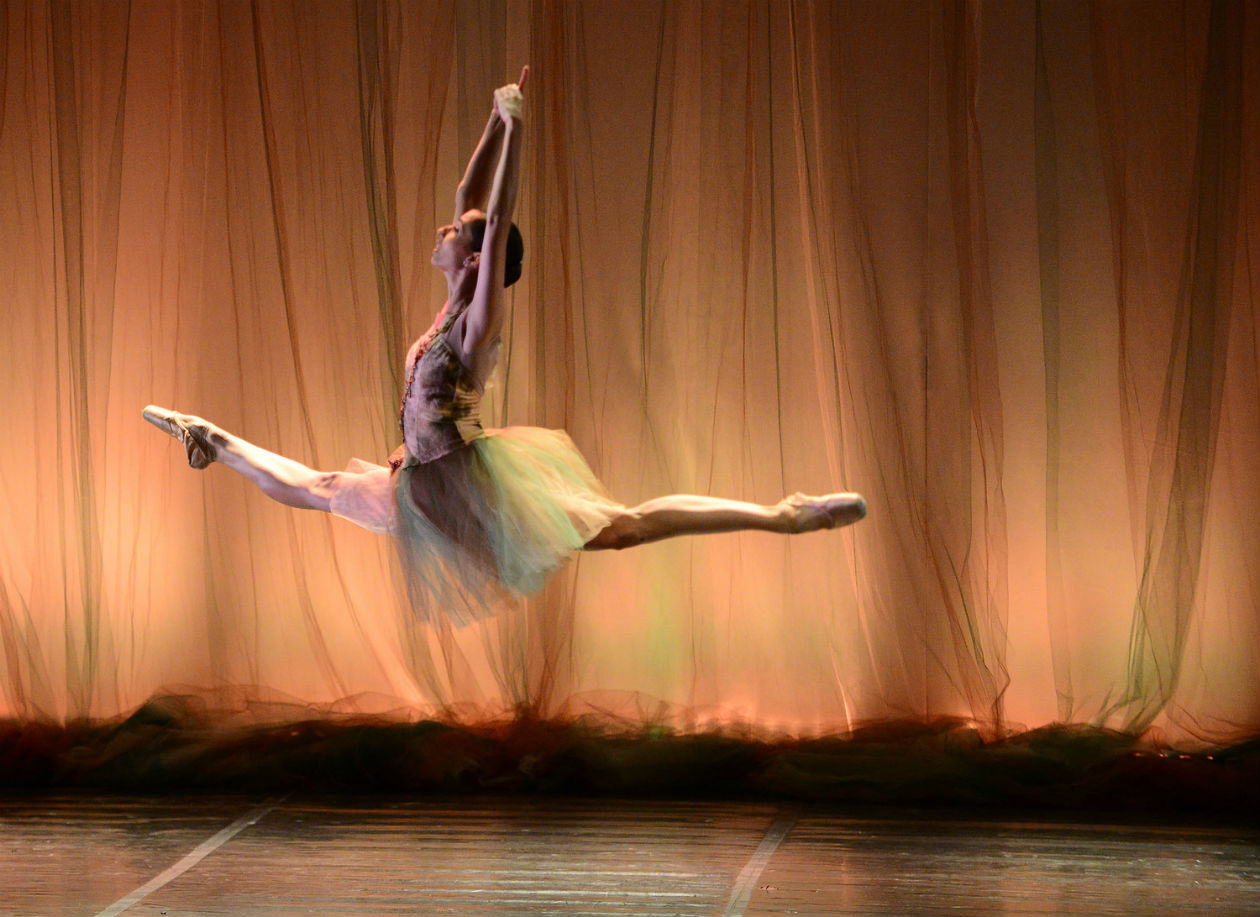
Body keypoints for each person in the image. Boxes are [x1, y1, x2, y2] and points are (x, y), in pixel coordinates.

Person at [144, 68, 866, 625]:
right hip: (423, 480)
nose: (442, 231)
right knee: (320, 487)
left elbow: (498, 210)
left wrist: (518, 131)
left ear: (476, 255)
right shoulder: (445, 311)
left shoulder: (475, 322)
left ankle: (785, 513)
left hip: (472, 486)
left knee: (624, 528)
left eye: (453, 232)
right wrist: (493, 120)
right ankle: (214, 438)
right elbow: (471, 188)